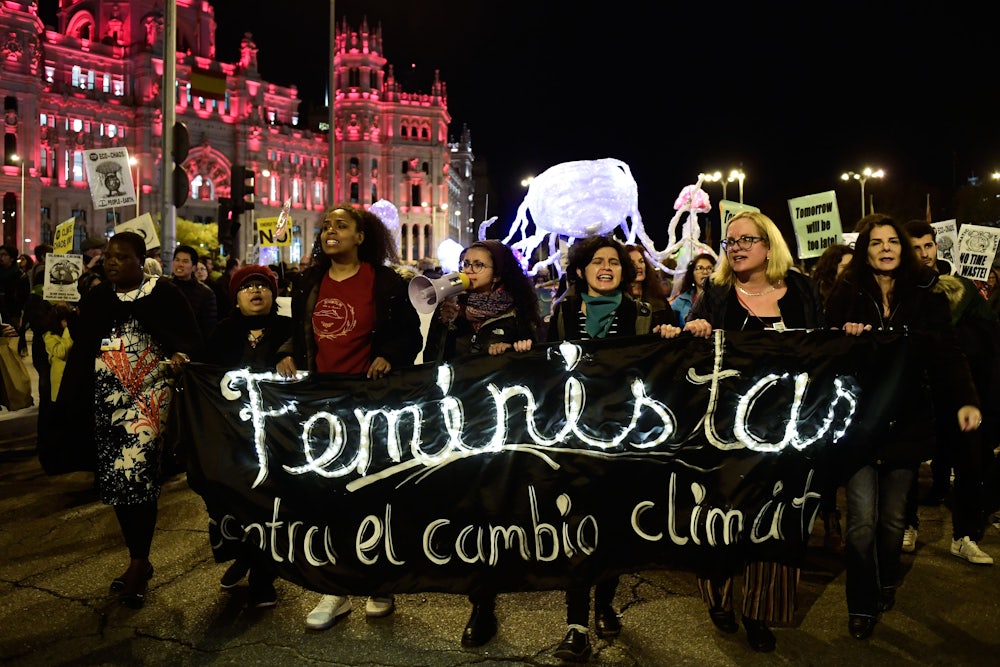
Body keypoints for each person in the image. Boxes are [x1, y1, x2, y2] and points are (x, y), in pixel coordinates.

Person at [824, 214, 981, 640]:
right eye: (876, 243)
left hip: (906, 423)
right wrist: (846, 336)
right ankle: (860, 604)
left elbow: (948, 354)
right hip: (858, 424)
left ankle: (886, 581)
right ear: (865, 251)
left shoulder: (926, 295)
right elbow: (826, 350)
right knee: (861, 521)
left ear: (903, 249)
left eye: (893, 241)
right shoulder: (846, 294)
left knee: (893, 521)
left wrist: (967, 400)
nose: (886, 248)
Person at [276, 203, 422, 630]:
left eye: (341, 225)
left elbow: (409, 334)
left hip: (371, 403)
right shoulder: (310, 280)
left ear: (361, 237)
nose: (330, 231)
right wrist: (288, 354)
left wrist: (387, 355)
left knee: (374, 492)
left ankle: (379, 584)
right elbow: (299, 332)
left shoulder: (387, 282)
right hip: (321, 403)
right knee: (329, 495)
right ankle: (335, 589)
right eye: (326, 226)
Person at [682, 211, 823, 653]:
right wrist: (695, 330)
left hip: (789, 428)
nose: (737, 247)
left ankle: (760, 611)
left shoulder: (801, 289)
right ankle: (719, 595)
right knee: (720, 515)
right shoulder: (716, 292)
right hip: (725, 428)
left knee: (778, 518)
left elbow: (822, 347)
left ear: (768, 244)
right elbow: (691, 353)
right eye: (730, 242)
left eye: (747, 239)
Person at [541, 234, 681, 662]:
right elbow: (544, 365)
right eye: (598, 261)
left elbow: (664, 363)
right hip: (574, 434)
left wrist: (672, 335)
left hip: (625, 436)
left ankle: (605, 603)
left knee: (614, 525)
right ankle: (576, 624)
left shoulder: (644, 313)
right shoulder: (563, 313)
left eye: (615, 262)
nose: (607, 268)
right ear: (580, 270)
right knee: (578, 526)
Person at [51, 231, 202, 608]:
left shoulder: (164, 293)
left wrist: (180, 355)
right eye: (108, 257)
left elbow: (189, 339)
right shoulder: (99, 297)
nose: (112, 263)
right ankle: (138, 556)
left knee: (140, 474)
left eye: (121, 257)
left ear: (140, 260)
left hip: (151, 396)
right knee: (117, 481)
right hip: (107, 399)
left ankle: (138, 562)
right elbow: (83, 347)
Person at [421, 239, 541, 647]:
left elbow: (535, 369)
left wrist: (513, 354)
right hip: (455, 425)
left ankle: (483, 604)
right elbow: (431, 362)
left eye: (478, 265)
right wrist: (441, 319)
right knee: (463, 512)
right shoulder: (450, 313)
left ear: (498, 273)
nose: (468, 270)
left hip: (499, 429)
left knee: (491, 513)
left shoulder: (518, 315)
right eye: (465, 263)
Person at [900, 219, 998, 564]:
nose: (924, 254)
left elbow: (987, 338)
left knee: (968, 462)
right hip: (914, 391)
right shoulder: (898, 290)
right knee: (908, 462)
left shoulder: (962, 289)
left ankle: (965, 535)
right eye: (915, 248)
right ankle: (907, 524)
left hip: (956, 392)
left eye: (928, 245)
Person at [205, 264, 293, 608]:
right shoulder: (223, 332)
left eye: (262, 285)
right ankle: (243, 555)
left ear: (273, 294)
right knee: (230, 500)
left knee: (268, 503)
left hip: (277, 436)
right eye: (247, 287)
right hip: (232, 434)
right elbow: (205, 372)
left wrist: (290, 353)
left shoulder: (288, 330)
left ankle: (262, 575)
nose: (255, 291)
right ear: (235, 298)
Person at [809, 243, 854, 554]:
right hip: (818, 388)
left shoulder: (857, 298)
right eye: (844, 267)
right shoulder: (816, 297)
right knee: (821, 459)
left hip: (845, 387)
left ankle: (833, 516)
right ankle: (828, 516)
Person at [169, 244, 218, 340]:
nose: (180, 264)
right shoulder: (164, 287)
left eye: (185, 261)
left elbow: (209, 329)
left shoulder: (206, 293)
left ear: (194, 267)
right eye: (177, 260)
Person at [625, 243, 670, 316]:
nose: (639, 266)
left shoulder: (657, 296)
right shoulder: (619, 300)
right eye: (632, 263)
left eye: (641, 261)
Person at [670, 252, 716, 323]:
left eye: (709, 268)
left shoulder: (721, 297)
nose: (705, 272)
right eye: (700, 268)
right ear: (692, 273)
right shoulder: (682, 300)